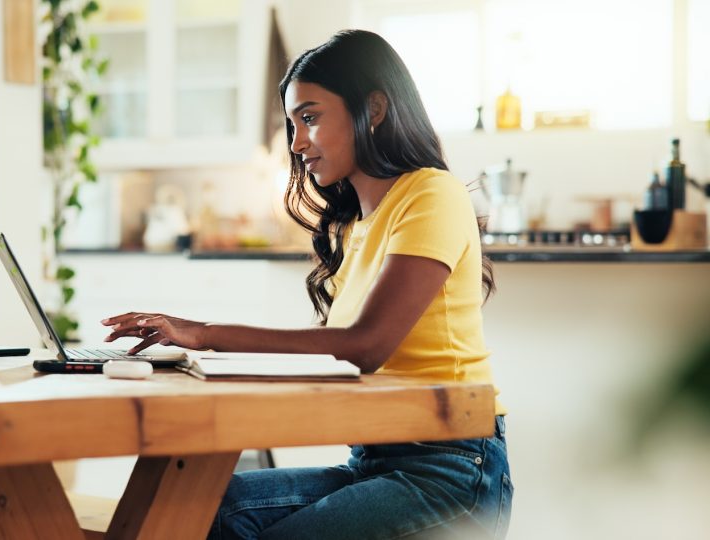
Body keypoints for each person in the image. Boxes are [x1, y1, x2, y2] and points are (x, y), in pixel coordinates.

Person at [102, 29, 511, 540]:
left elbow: (363, 346)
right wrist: (196, 352)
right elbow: (333, 352)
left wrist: (205, 334)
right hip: (372, 460)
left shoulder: (433, 194)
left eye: (310, 119)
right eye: (293, 124)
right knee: (198, 508)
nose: (297, 145)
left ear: (375, 109)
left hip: (451, 469)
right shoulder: (357, 223)